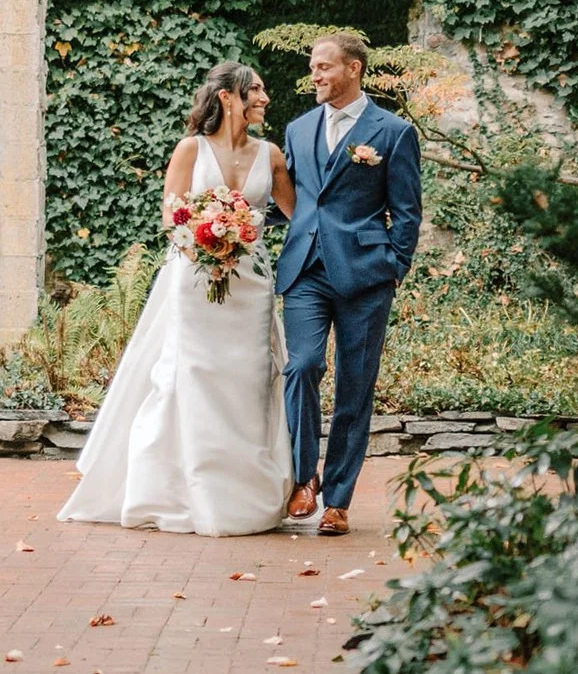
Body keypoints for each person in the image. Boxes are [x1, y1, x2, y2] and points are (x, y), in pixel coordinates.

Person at [58, 62, 300, 535]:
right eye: (257, 90)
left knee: (247, 378)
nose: (265, 99)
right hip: (193, 278)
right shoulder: (191, 148)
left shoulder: (270, 154)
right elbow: (172, 215)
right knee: (191, 376)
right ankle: (182, 489)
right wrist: (207, 238)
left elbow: (297, 213)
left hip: (249, 283)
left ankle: (243, 491)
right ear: (229, 97)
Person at [276, 32, 422, 537]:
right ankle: (303, 480)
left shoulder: (394, 131)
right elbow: (287, 201)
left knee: (354, 389)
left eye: (323, 67)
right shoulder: (296, 130)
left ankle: (337, 500)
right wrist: (228, 220)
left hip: (365, 276)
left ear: (353, 69)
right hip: (305, 272)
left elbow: (406, 212)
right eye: (313, 68)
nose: (314, 76)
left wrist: (393, 266)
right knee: (301, 366)